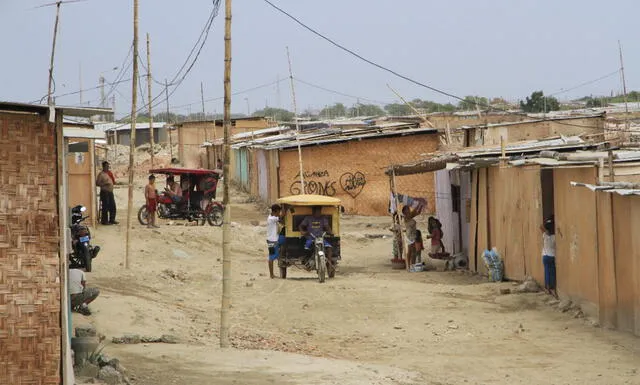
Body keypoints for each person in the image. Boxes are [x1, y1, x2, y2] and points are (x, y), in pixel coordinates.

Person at [96, 161, 118, 225]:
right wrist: (105, 183)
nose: (107, 167)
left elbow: (113, 181)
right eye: (106, 166)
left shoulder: (109, 173)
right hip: (104, 192)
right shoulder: (101, 174)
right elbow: (97, 183)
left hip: (110, 192)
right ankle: (104, 221)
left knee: (112, 206)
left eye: (108, 166)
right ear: (103, 167)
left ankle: (112, 219)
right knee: (105, 207)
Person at [541, 216, 558, 298]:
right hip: (552, 256)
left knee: (547, 272)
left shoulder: (544, 235)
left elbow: (541, 227)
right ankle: (552, 288)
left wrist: (546, 223)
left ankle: (547, 288)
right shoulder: (554, 237)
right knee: (552, 273)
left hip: (545, 256)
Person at [266, 204, 284, 279]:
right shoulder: (272, 219)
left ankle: (282, 253)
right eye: (278, 212)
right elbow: (282, 216)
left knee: (285, 239)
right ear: (275, 211)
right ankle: (271, 275)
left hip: (276, 238)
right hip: (272, 240)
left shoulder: (272, 217)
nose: (279, 213)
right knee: (271, 257)